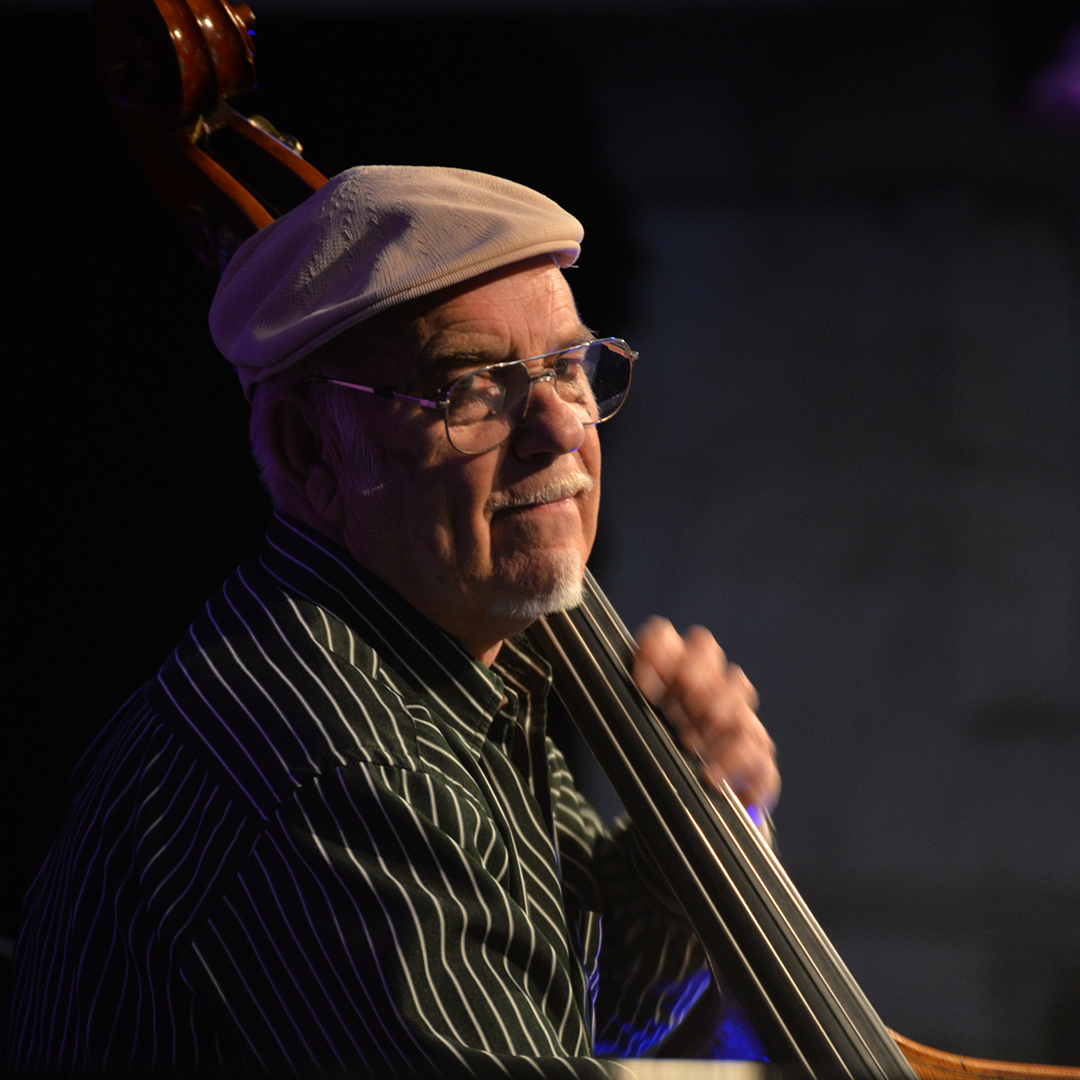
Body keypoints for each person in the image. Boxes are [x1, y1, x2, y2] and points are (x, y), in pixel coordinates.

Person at [6, 166, 779, 1078]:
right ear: (308, 450)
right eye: (474, 384)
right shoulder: (342, 762)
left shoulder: (458, 671)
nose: (561, 428)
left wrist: (704, 816)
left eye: (570, 366)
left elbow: (586, 999)